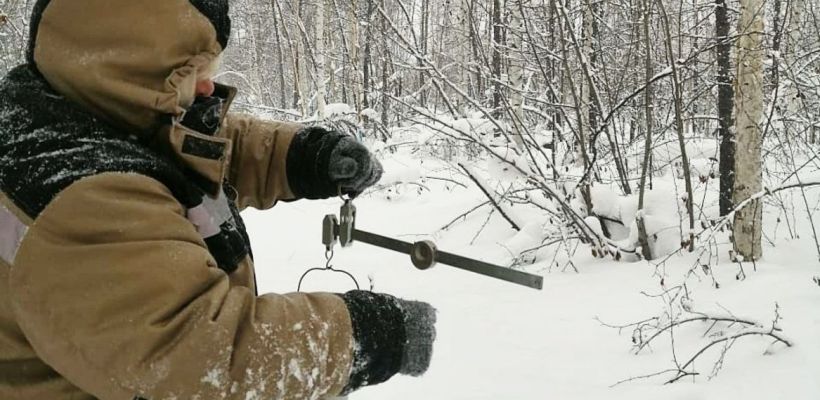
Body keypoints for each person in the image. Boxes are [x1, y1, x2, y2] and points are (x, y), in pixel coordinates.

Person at [0, 0, 436, 399]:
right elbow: (205, 362)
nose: (208, 86)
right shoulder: (82, 198)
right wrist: (367, 335)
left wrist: (302, 157)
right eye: (189, 71)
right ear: (129, 66)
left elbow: (191, 148)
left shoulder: (67, 114)